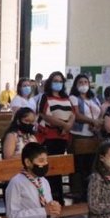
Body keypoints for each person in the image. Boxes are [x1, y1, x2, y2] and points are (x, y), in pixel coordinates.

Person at [36, 71, 75, 203]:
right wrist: (64, 125)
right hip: (50, 135)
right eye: (55, 81)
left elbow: (72, 114)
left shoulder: (66, 97)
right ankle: (49, 197)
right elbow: (44, 115)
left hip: (63, 136)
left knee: (58, 167)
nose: (58, 83)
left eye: (60, 81)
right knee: (49, 166)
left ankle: (58, 197)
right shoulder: (45, 97)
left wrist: (68, 126)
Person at [69, 74, 102, 202]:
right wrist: (92, 121)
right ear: (76, 85)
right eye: (80, 82)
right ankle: (78, 193)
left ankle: (89, 191)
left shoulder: (94, 99)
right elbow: (76, 115)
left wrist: (98, 124)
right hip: (79, 134)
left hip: (93, 134)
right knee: (79, 165)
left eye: (86, 82)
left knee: (90, 165)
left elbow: (100, 113)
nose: (84, 84)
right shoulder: (73, 98)